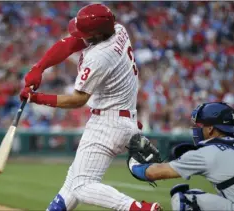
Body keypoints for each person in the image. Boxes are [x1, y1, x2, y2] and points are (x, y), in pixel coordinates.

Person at [20, 4, 161, 211]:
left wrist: (36, 98)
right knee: (72, 181)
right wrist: (39, 67)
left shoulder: (99, 56)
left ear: (97, 34)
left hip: (107, 123)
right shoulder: (118, 29)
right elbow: (70, 44)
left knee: (81, 185)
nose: (80, 35)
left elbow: (78, 100)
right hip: (121, 118)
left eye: (85, 33)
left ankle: (138, 208)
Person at [127, 102, 234, 211]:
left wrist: (133, 165)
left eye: (200, 125)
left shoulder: (207, 152)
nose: (196, 129)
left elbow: (154, 173)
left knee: (183, 198)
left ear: (211, 128)